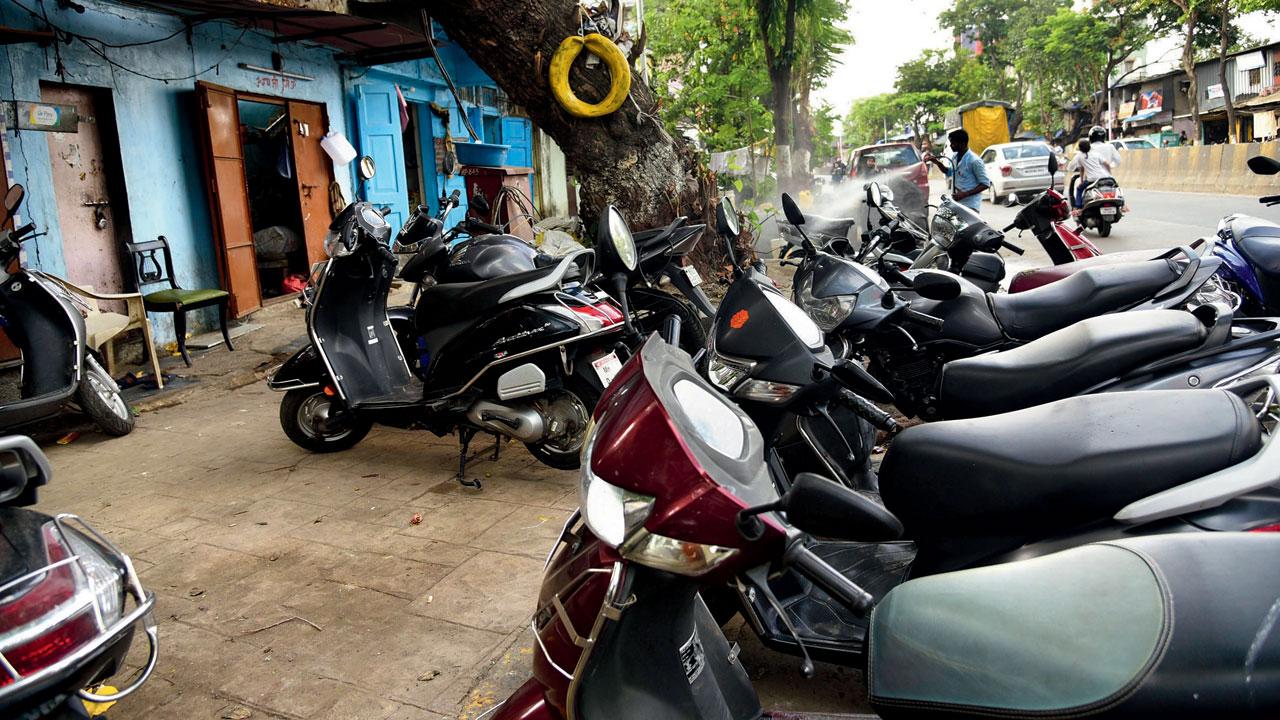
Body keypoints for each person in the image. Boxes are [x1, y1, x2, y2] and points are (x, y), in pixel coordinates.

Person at [925, 128, 990, 212]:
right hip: (958, 203)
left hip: (970, 205)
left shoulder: (974, 161)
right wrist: (937, 162)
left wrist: (965, 194)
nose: (951, 145)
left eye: (953, 143)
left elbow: (985, 184)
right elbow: (949, 172)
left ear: (962, 143)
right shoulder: (955, 157)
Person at [1066, 138, 1113, 209]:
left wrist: (1081, 181)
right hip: (1104, 177)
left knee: (1079, 189)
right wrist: (1109, 174)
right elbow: (1107, 164)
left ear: (1080, 148)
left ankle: (1078, 207)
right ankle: (1123, 205)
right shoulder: (1096, 154)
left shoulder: (1079, 156)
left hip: (1091, 180)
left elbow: (1081, 170)